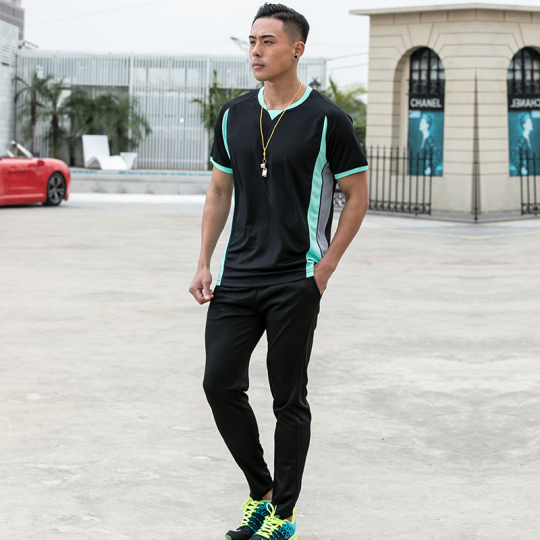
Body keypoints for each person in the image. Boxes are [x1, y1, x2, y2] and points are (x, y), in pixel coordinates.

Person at [188, 4, 369, 539]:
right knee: (219, 383)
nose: (256, 51)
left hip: (295, 278)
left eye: (268, 41)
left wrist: (325, 267)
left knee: (288, 397)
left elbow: (356, 196)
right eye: (251, 41)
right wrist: (204, 260)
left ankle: (283, 515)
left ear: (297, 49)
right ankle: (261, 490)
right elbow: (219, 190)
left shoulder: (328, 119)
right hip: (238, 275)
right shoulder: (234, 115)